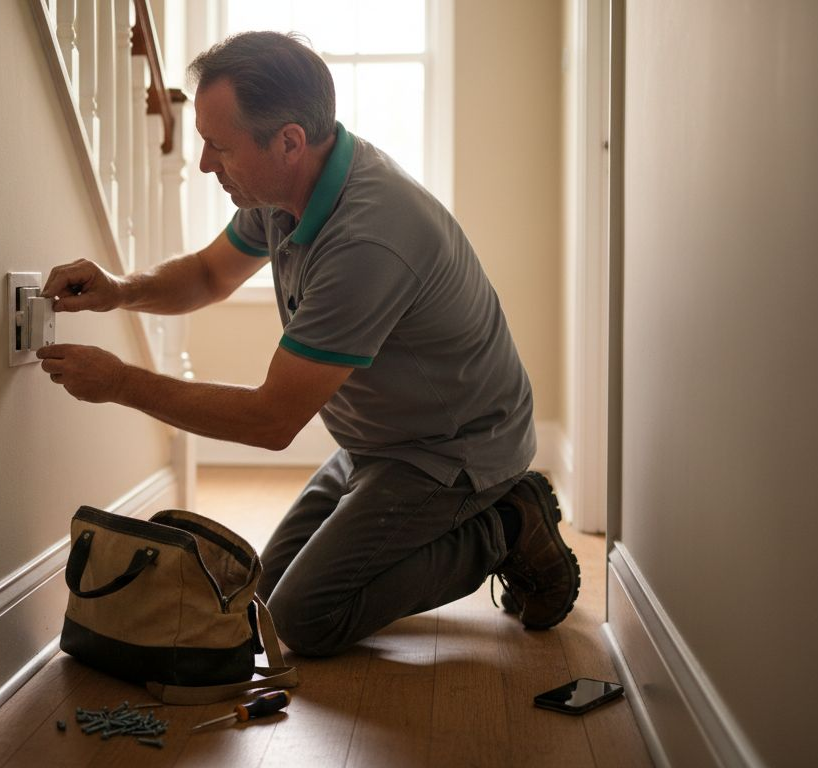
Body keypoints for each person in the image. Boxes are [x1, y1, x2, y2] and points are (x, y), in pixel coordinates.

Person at [38, 31, 579, 656]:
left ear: (289, 141)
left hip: (452, 449)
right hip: (373, 441)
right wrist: (118, 290)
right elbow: (211, 274)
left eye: (219, 146)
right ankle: (425, 515)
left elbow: (272, 420)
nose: (206, 163)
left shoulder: (369, 241)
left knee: (303, 619)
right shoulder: (282, 190)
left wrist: (121, 383)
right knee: (265, 600)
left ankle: (508, 524)